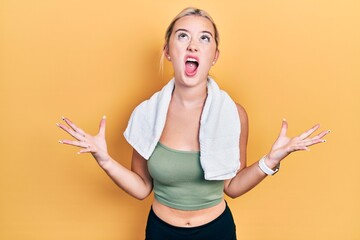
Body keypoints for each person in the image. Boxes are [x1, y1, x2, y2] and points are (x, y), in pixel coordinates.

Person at [56, 7, 329, 240]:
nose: (193, 45)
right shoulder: (146, 114)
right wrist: (104, 159)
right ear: (168, 51)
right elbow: (141, 188)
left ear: (214, 56)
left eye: (204, 38)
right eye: (183, 35)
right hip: (161, 231)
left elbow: (231, 187)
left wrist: (271, 160)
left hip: (217, 231)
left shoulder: (234, 114)